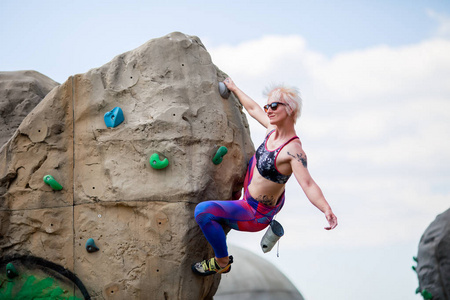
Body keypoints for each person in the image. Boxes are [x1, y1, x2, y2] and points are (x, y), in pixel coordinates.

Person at [191, 78, 338, 276]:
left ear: (290, 109)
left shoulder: (293, 151)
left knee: (202, 211)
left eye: (274, 106)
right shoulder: (271, 132)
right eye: (267, 105)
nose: (268, 109)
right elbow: (253, 109)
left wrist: (326, 208)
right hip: (247, 200)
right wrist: (234, 87)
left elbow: (308, 184)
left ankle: (221, 262)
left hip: (254, 214)